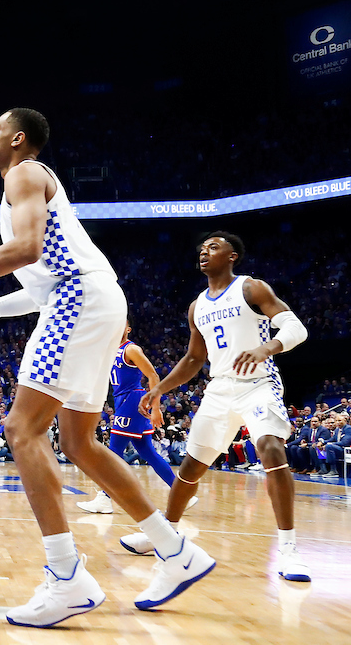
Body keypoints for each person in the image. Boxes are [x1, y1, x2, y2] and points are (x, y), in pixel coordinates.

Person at [0, 108, 212, 626]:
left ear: (18, 139)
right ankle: (176, 551)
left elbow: (25, 250)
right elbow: (35, 288)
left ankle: (67, 577)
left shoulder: (24, 172)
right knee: (78, 442)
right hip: (91, 301)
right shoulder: (23, 188)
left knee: (21, 428)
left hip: (79, 301)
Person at [119, 232, 311, 582]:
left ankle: (288, 549)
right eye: (202, 249)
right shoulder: (197, 306)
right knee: (191, 468)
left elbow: (296, 328)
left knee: (269, 447)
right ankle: (164, 535)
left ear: (232, 255)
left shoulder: (252, 288)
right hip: (219, 389)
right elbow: (194, 358)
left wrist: (266, 348)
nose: (205, 253)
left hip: (258, 384)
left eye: (214, 247)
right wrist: (159, 387)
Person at [77, 324, 192, 514]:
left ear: (128, 329)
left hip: (132, 401)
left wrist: (156, 408)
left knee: (113, 453)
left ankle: (105, 498)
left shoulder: (131, 349)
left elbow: (153, 376)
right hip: (123, 400)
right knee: (147, 451)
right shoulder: (111, 349)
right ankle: (183, 494)